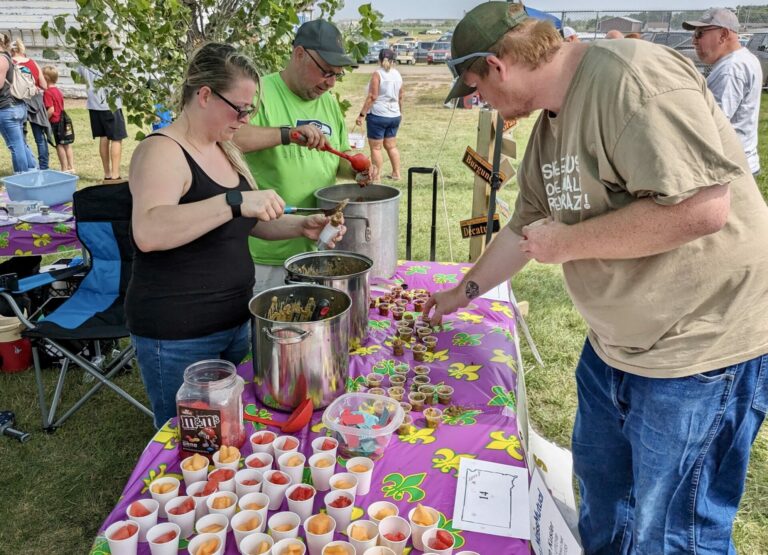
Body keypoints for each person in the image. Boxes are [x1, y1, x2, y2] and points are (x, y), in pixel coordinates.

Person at [432, 3, 768, 553]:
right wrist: (461, 292)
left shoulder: (630, 77)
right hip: (617, 346)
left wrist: (564, 244)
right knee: (604, 507)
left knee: (674, 531)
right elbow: (522, 228)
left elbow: (702, 210)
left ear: (498, 66)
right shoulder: (548, 129)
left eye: (475, 89)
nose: (480, 103)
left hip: (700, 347)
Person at [126, 42, 345, 428]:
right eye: (239, 108)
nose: (245, 118)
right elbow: (149, 230)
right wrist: (234, 200)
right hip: (180, 332)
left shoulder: (225, 148)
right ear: (205, 95)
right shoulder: (163, 151)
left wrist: (300, 226)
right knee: (192, 440)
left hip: (234, 322)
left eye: (252, 110)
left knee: (228, 432)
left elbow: (244, 222)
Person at [234, 19, 369, 294]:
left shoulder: (329, 103)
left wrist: (355, 169)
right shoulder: (259, 92)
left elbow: (337, 159)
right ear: (299, 54)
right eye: (325, 72)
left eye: (337, 75)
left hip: (318, 245)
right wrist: (288, 134)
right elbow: (233, 139)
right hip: (266, 253)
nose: (330, 83)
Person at [684, 8, 762, 175]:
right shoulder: (744, 58)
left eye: (699, 34)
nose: (694, 41)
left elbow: (712, 123)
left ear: (724, 34)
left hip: (730, 168)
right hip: (740, 162)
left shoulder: (731, 69)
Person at [356, 48, 403, 181]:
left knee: (376, 148)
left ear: (379, 60)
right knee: (392, 146)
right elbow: (401, 96)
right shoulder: (397, 75)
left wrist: (361, 114)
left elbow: (372, 96)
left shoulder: (378, 74)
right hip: (394, 115)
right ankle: (396, 173)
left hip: (378, 115)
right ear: (394, 61)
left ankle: (376, 177)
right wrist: (400, 112)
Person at [77, 65, 128, 181]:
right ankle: (115, 175)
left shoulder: (84, 59)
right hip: (110, 103)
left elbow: (80, 77)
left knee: (104, 137)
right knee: (116, 138)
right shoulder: (107, 58)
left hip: (94, 103)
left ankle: (107, 174)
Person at [10, 38, 51, 170]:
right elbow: (44, 85)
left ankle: (28, 165)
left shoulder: (11, 63)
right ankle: (44, 166)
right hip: (35, 100)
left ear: (11, 50)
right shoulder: (33, 63)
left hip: (18, 100)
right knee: (40, 137)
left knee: (20, 137)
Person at [0, 34, 37, 173]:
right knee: (21, 144)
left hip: (6, 108)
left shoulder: (1, 59)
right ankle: (33, 173)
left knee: (15, 146)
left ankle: (22, 177)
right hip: (17, 106)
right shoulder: (8, 57)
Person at [42, 65, 74, 172]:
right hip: (63, 120)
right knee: (67, 144)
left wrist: (44, 120)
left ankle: (64, 168)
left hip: (55, 122)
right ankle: (71, 167)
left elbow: (51, 110)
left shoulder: (47, 92)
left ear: (45, 78)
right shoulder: (58, 91)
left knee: (59, 145)